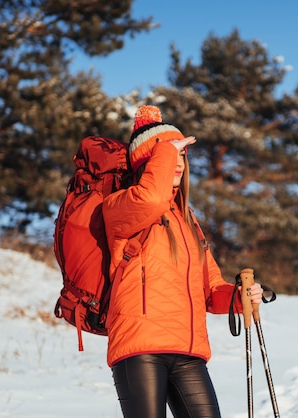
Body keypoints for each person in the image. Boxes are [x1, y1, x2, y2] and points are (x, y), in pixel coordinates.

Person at [102, 105, 263, 418]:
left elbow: (210, 289)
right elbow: (149, 199)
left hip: (187, 350)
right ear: (148, 161)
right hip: (140, 346)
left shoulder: (188, 221)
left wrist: (240, 297)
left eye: (182, 155)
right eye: (168, 154)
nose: (177, 162)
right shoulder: (120, 206)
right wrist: (164, 151)